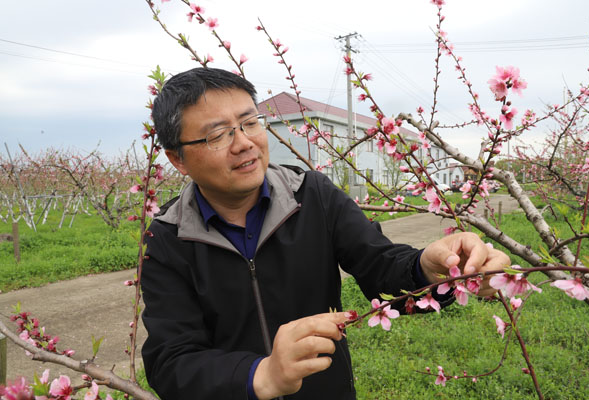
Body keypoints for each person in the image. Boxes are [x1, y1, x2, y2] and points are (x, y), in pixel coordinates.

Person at [140, 67, 509, 400]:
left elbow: (379, 264)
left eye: (250, 122)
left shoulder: (311, 195)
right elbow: (171, 362)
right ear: (178, 159)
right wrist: (260, 375)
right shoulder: (168, 238)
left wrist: (429, 268)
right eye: (217, 134)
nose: (243, 143)